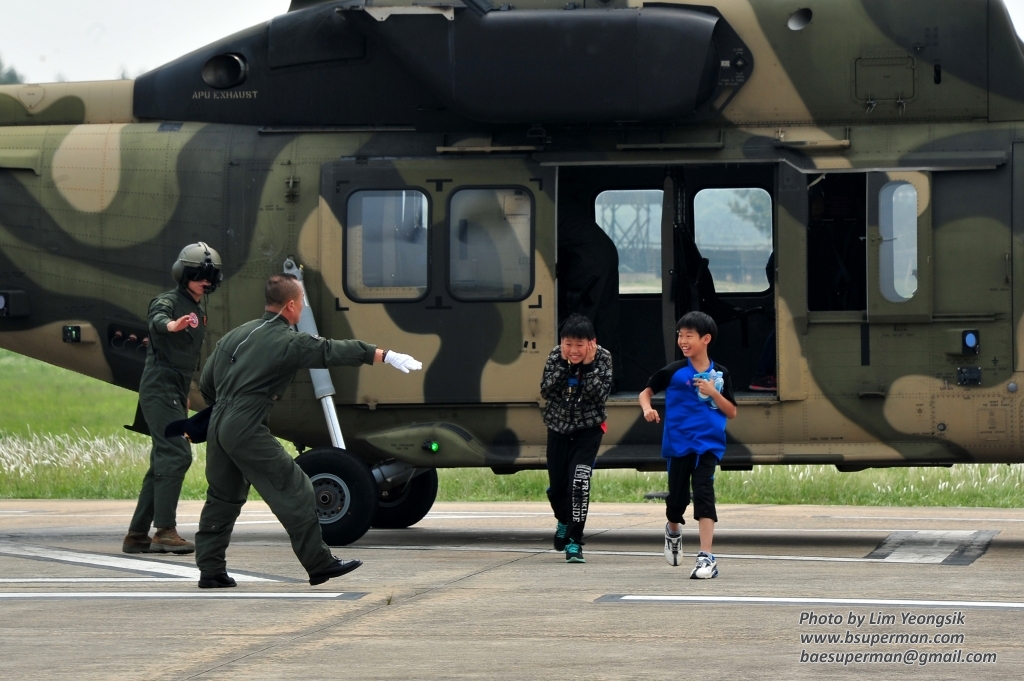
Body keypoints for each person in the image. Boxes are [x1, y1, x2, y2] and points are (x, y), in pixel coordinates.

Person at [193, 273, 422, 588]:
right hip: (245, 424)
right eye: (300, 302)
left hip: (219, 420)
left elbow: (207, 384)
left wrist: (226, 410)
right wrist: (384, 355)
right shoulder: (287, 341)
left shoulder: (234, 336)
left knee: (222, 496)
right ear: (290, 305)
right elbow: (331, 350)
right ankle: (319, 564)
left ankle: (210, 569)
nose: (301, 308)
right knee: (297, 489)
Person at [123, 242, 222, 555]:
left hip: (175, 390)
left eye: (210, 276)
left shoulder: (196, 307)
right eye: (198, 275)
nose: (205, 281)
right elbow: (157, 321)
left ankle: (137, 535)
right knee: (177, 453)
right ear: (183, 275)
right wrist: (171, 325)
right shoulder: (168, 301)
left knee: (161, 463)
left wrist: (185, 396)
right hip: (159, 386)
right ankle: (164, 530)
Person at [639, 311, 737, 579]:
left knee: (704, 493)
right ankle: (673, 530)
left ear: (706, 339)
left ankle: (707, 557)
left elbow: (731, 412)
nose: (682, 340)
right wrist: (648, 408)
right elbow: (646, 392)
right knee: (677, 500)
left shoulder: (720, 374)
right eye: (680, 335)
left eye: (688, 336)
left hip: (708, 446)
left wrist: (714, 392)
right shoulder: (674, 371)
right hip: (678, 444)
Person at [540, 313, 613, 564]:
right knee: (558, 487)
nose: (573, 350)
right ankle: (563, 519)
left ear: (591, 343)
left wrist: (589, 366)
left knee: (579, 484)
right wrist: (564, 366)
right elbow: (546, 390)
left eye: (579, 345)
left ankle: (574, 541)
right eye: (568, 344)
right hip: (558, 429)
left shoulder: (603, 358)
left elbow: (600, 395)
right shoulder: (555, 356)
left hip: (588, 431)